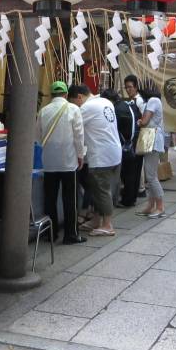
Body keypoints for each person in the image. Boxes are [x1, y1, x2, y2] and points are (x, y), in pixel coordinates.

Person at [36, 81, 86, 244]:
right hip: (69, 161)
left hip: (49, 162)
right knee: (70, 198)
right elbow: (79, 136)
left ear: (51, 95)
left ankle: (50, 233)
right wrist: (80, 155)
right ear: (65, 94)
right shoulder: (73, 109)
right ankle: (71, 235)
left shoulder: (43, 111)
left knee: (50, 198)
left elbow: (37, 137)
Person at [69, 84, 121, 236]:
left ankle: (107, 225)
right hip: (114, 152)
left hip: (101, 155)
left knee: (101, 190)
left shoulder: (86, 108)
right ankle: (97, 220)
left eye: (74, 102)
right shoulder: (105, 102)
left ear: (79, 97)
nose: (75, 106)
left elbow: (73, 128)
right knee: (97, 188)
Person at [136, 83, 166, 218]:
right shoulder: (155, 100)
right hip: (152, 139)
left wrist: (139, 122)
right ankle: (150, 205)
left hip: (152, 139)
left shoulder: (153, 101)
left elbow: (145, 121)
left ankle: (160, 206)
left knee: (151, 175)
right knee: (150, 174)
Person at [113, 85, 142, 208]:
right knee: (134, 173)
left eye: (130, 86)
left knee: (128, 174)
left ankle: (128, 200)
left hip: (127, 145)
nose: (128, 89)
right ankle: (132, 198)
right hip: (135, 143)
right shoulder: (130, 105)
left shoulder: (118, 109)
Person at [122, 74, 146, 198]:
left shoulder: (139, 100)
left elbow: (145, 116)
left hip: (139, 136)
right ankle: (138, 189)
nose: (128, 89)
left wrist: (140, 123)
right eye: (126, 87)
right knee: (136, 166)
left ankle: (139, 189)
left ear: (136, 87)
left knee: (137, 166)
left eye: (130, 87)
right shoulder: (132, 100)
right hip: (135, 137)